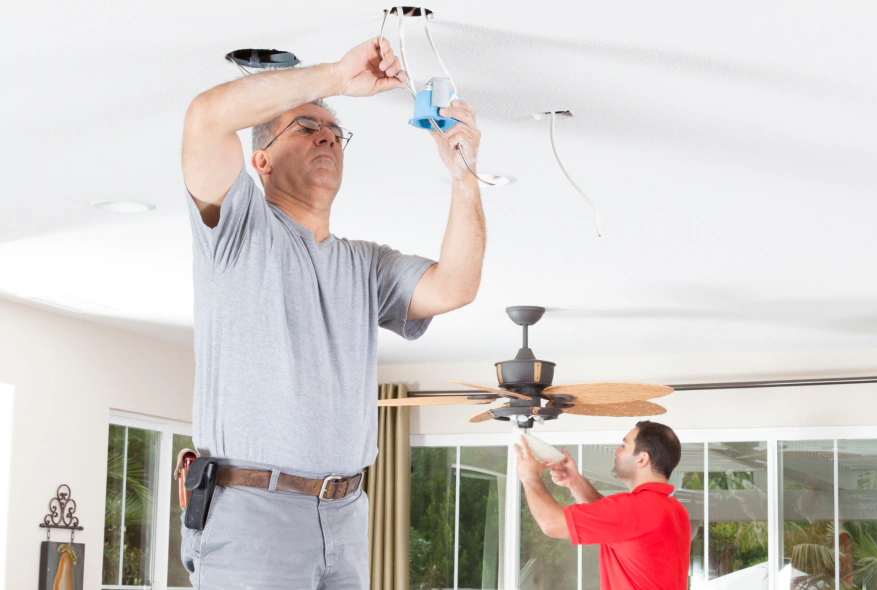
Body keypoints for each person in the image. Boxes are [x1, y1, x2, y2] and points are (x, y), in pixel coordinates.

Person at [179, 36, 485, 589]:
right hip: (253, 514)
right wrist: (336, 78)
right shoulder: (239, 230)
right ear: (261, 161)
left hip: (345, 516)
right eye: (305, 127)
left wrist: (464, 176)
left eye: (335, 132)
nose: (326, 135)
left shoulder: (365, 265)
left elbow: (455, 286)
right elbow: (204, 119)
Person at [515, 421, 691, 590]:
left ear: (642, 459)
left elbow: (552, 524)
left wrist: (529, 477)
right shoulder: (674, 509)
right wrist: (575, 482)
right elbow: (613, 521)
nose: (616, 451)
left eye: (624, 445)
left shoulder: (637, 508)